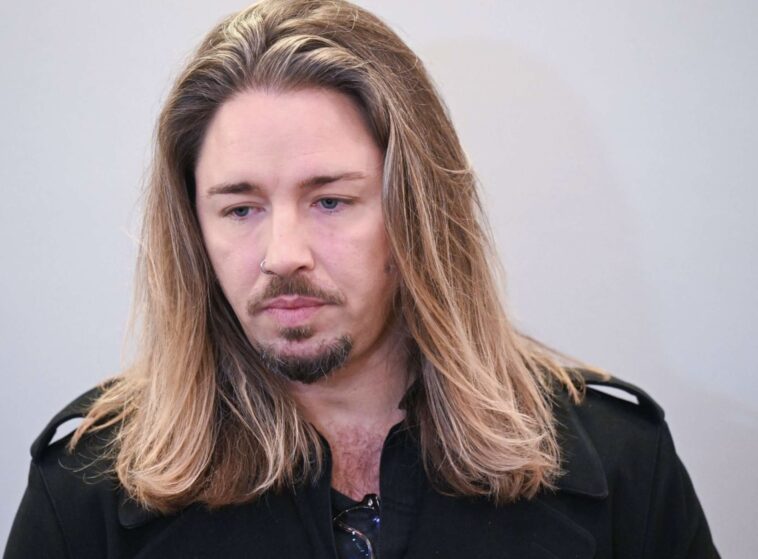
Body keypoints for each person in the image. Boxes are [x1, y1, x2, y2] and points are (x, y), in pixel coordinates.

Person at [4, 1, 719, 557]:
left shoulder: (618, 465)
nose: (282, 254)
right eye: (241, 208)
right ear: (194, 227)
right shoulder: (87, 491)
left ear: (418, 213)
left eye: (330, 201)